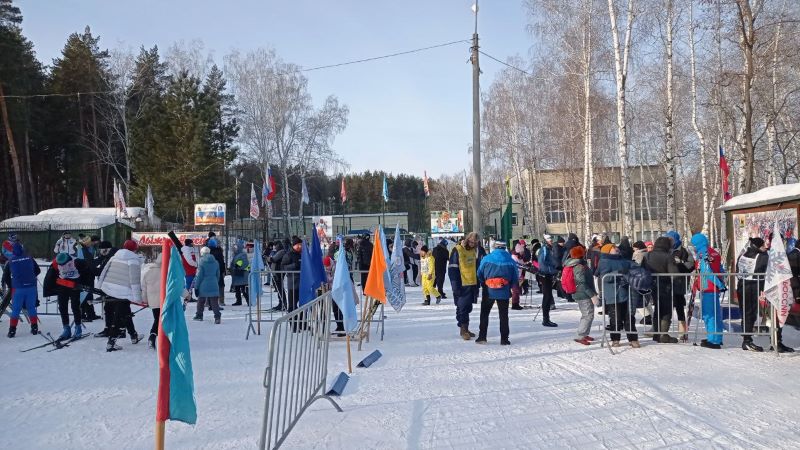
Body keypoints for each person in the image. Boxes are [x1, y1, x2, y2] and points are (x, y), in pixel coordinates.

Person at [97, 239, 143, 351]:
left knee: (125, 312)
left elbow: (104, 271)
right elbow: (134, 280)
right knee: (118, 316)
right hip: (122, 291)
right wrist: (138, 298)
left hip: (109, 288)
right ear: (135, 249)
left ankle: (134, 335)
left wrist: (99, 286)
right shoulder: (133, 260)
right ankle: (111, 342)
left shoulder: (114, 256)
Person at [475, 241, 518, 345]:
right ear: (504, 248)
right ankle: (504, 339)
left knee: (484, 313)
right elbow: (515, 277)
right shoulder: (511, 261)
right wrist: (509, 286)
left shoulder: (487, 258)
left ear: (495, 247)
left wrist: (484, 282)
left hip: (488, 290)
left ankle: (482, 337)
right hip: (504, 290)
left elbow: (479, 273)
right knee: (503, 315)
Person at [598, 244, 639, 348]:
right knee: (615, 318)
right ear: (608, 251)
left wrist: (636, 268)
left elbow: (633, 265)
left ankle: (633, 339)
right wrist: (618, 272)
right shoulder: (604, 261)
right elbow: (605, 277)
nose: (617, 249)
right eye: (613, 247)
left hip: (626, 292)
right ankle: (615, 339)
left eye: (616, 247)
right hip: (613, 294)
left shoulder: (622, 259)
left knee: (629, 317)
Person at [690, 233, 725, 350]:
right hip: (713, 287)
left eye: (693, 245)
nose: (693, 247)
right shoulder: (713, 252)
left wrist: (719, 284)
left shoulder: (702, 254)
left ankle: (713, 340)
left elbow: (707, 271)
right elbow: (720, 269)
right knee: (716, 314)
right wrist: (720, 282)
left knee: (709, 315)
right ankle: (717, 337)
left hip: (708, 286)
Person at [643, 236, 680, 343]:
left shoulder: (648, 255)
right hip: (665, 286)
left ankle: (657, 334)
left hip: (651, 285)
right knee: (666, 310)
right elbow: (674, 274)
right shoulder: (668, 256)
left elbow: (643, 269)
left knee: (657, 309)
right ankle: (663, 335)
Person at [736, 237, 768, 352]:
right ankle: (747, 341)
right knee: (750, 314)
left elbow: (737, 268)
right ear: (757, 246)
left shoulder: (743, 254)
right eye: (763, 246)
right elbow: (763, 267)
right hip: (752, 286)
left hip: (741, 285)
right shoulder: (761, 256)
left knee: (745, 313)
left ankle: (746, 338)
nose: (765, 248)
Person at [448, 232, 480, 340]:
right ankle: (463, 329)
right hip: (461, 284)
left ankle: (465, 327)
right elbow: (452, 269)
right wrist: (455, 285)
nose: (472, 244)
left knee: (468, 307)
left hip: (472, 283)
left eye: (474, 243)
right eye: (471, 242)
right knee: (462, 307)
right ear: (467, 240)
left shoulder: (474, 251)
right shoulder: (457, 250)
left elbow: (475, 267)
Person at [565, 245, 599, 345]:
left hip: (582, 293)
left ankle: (584, 333)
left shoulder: (578, 264)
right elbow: (581, 283)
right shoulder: (578, 266)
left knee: (589, 314)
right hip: (583, 294)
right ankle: (580, 335)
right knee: (587, 315)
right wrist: (592, 295)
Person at [6, 242, 40, 338]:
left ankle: (12, 330)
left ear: (13, 251)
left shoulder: (11, 261)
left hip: (18, 288)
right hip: (31, 287)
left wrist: (11, 285)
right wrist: (30, 277)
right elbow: (38, 270)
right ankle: (34, 328)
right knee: (31, 307)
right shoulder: (29, 258)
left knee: (16, 309)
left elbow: (6, 276)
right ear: (22, 249)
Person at [665, 231, 695, 339]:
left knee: (679, 306)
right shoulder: (665, 250)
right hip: (667, 283)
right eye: (668, 239)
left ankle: (682, 331)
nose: (669, 241)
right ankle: (662, 330)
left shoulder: (684, 251)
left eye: (671, 239)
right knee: (666, 307)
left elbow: (691, 264)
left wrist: (680, 265)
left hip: (679, 283)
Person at [193, 246, 222, 324]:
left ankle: (199, 315)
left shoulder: (202, 262)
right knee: (214, 302)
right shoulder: (216, 262)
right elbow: (218, 274)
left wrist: (196, 287)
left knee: (201, 301)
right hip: (214, 283)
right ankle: (217, 317)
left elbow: (200, 276)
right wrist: (215, 281)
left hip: (203, 284)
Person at [141, 253, 164, 349]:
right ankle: (154, 336)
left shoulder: (148, 272)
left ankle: (153, 336)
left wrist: (145, 300)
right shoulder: (166, 272)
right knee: (162, 320)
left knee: (157, 319)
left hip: (153, 301)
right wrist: (186, 295)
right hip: (164, 301)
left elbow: (144, 289)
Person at [537, 234, 559, 327]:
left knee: (548, 296)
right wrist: (552, 270)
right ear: (546, 240)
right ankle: (545, 320)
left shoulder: (549, 248)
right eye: (549, 239)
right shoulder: (544, 249)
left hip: (548, 274)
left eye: (551, 239)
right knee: (547, 297)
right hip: (545, 275)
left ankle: (546, 319)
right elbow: (542, 262)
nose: (551, 241)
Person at [281, 237, 303, 324]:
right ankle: (293, 324)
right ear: (294, 245)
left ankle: (302, 324)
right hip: (293, 284)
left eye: (301, 245)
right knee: (292, 306)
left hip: (303, 284)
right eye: (298, 245)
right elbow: (283, 267)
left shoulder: (303, 254)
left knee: (304, 305)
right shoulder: (289, 255)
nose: (300, 246)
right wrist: (294, 265)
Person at [229, 240, 250, 306]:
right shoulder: (236, 255)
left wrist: (237, 265)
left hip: (242, 274)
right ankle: (238, 301)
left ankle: (248, 301)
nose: (234, 249)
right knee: (237, 288)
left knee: (243, 289)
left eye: (236, 248)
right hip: (237, 274)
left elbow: (245, 263)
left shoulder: (243, 254)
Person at [207, 238, 226, 308]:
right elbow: (221, 262)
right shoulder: (219, 251)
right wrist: (223, 271)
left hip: (210, 272)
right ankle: (221, 301)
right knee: (220, 286)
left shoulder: (208, 252)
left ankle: (208, 302)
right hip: (219, 271)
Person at [269, 240, 288, 311]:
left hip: (279, 272)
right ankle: (281, 303)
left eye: (275, 245)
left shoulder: (281, 251)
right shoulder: (278, 251)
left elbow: (273, 259)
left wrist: (268, 258)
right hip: (276, 272)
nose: (275, 247)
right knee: (278, 288)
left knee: (280, 288)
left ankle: (283, 304)